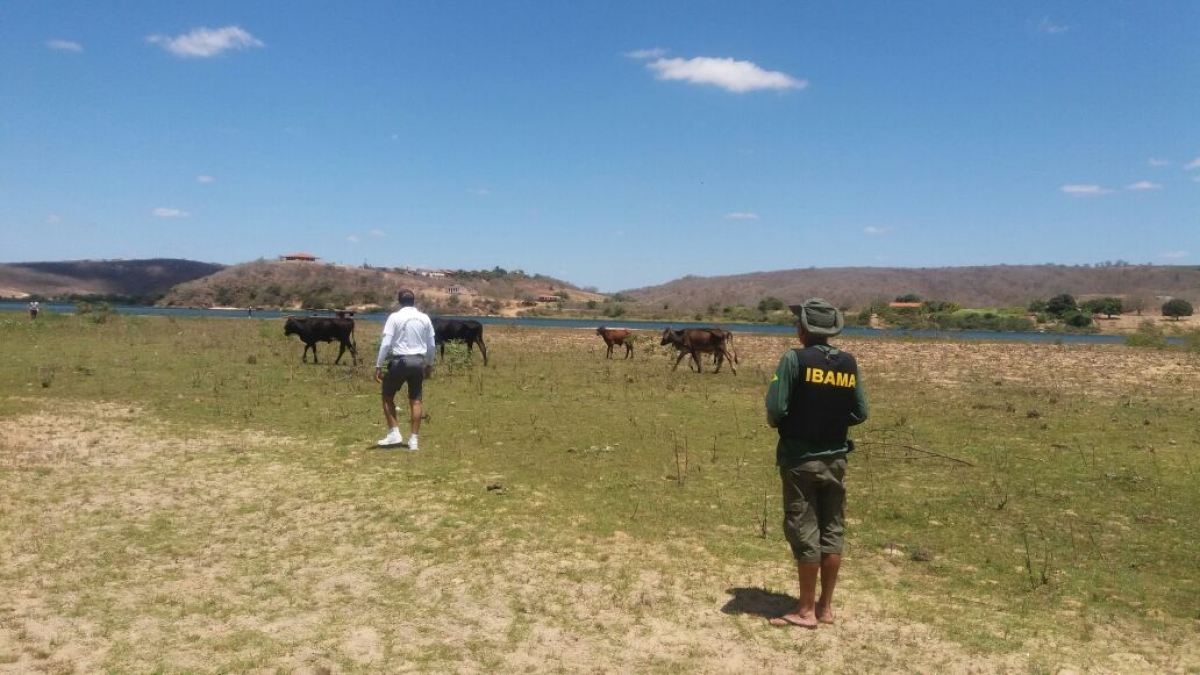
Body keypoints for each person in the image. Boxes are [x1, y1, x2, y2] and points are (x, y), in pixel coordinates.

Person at [764, 298, 868, 629]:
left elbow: (776, 408)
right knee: (832, 529)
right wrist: (830, 420)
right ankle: (825, 608)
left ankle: (805, 611)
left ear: (803, 329)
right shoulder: (848, 363)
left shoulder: (793, 359)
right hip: (836, 459)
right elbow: (861, 411)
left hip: (799, 459)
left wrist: (795, 420)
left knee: (804, 527)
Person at [374, 289, 436, 450]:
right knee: (416, 400)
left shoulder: (394, 317)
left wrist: (378, 365)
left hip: (400, 361)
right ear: (414, 301)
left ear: (399, 301)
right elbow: (431, 345)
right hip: (418, 362)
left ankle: (394, 433)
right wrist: (429, 365)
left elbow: (386, 344)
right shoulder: (424, 318)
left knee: (387, 396)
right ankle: (414, 440)